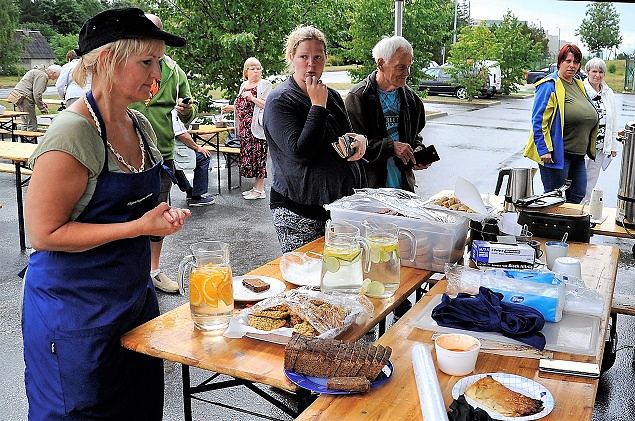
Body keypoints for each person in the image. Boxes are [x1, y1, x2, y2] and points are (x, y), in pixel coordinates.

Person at [22, 8, 191, 420]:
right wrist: (138, 226)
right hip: (75, 315)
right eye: (147, 62)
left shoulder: (141, 127)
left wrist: (159, 223)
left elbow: (143, 212)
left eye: (160, 61)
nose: (159, 73)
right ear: (108, 60)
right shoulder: (72, 133)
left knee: (140, 408)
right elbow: (44, 234)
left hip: (132, 305)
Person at [263, 25, 367, 253]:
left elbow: (344, 138)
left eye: (318, 57)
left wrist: (359, 140)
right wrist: (317, 106)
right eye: (304, 57)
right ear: (291, 57)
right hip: (297, 210)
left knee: (338, 274)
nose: (311, 64)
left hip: (337, 208)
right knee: (305, 281)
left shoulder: (333, 96)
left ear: (325, 58)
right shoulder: (280, 100)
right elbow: (300, 153)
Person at [129, 13, 198, 293]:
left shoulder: (174, 71)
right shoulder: (127, 67)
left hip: (161, 152)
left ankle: (153, 270)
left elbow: (189, 110)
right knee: (125, 214)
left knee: (159, 211)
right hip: (127, 150)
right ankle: (132, 274)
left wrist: (186, 110)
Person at [345, 36, 428, 192]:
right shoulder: (358, 97)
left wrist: (417, 151)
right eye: (401, 67)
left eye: (409, 66)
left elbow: (414, 136)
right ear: (381, 64)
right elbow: (352, 145)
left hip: (404, 189)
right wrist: (391, 147)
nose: (407, 73)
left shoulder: (412, 100)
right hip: (368, 189)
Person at [524, 43, 598, 204]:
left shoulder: (578, 84)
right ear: (560, 62)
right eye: (568, 61)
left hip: (578, 155)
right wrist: (544, 150)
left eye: (576, 62)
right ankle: (547, 229)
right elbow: (539, 121)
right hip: (557, 155)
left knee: (578, 195)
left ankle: (568, 229)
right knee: (553, 199)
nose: (572, 65)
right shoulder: (549, 85)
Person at [221, 57, 272, 199]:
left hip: (257, 128)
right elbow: (242, 105)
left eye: (258, 68)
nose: (256, 71)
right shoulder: (243, 85)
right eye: (252, 68)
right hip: (244, 129)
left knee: (259, 157)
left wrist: (252, 98)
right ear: (246, 71)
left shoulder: (265, 85)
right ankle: (255, 187)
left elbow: (268, 105)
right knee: (250, 158)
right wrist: (231, 108)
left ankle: (260, 190)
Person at [582, 57, 619, 203]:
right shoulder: (581, 90)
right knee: (578, 182)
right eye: (594, 71)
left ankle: (584, 212)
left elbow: (613, 119)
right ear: (588, 72)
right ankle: (572, 210)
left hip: (599, 147)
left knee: (591, 183)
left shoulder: (608, 93)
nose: (598, 75)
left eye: (601, 72)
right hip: (583, 147)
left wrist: (613, 146)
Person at [171, 108, 215, 206]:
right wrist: (197, 147)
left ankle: (189, 191)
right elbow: (181, 134)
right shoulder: (170, 110)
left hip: (160, 151)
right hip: (172, 151)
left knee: (174, 165)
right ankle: (197, 196)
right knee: (204, 157)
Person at [7, 64, 61, 130]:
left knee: (25, 122)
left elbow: (34, 91)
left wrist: (41, 102)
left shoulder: (37, 71)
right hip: (25, 98)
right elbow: (37, 94)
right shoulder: (43, 75)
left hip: (18, 96)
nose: (54, 79)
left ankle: (24, 139)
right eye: (56, 76)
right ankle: (29, 140)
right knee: (32, 124)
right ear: (53, 72)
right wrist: (42, 108)